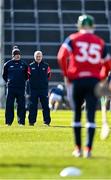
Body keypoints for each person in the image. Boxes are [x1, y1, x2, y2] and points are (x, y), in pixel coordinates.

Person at [57, 14, 111, 158]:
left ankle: (78, 149)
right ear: (93, 26)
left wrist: (67, 74)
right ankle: (88, 150)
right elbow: (108, 63)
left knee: (76, 116)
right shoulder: (100, 42)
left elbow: (61, 56)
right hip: (93, 81)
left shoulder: (73, 38)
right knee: (91, 117)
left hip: (77, 80)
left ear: (79, 26)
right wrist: (103, 78)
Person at [2, 46, 28, 125]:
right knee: (9, 105)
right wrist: (9, 81)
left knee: (21, 105)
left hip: (21, 87)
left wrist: (22, 81)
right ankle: (8, 122)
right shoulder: (7, 64)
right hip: (11, 88)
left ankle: (21, 122)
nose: (18, 55)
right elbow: (4, 75)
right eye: (16, 54)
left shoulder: (24, 64)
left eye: (19, 54)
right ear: (13, 55)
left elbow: (27, 75)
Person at [28, 50, 51, 126]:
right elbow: (28, 77)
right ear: (34, 57)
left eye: (39, 56)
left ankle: (46, 122)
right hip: (33, 90)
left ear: (42, 57)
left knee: (45, 106)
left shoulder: (46, 66)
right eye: (37, 56)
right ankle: (31, 122)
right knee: (32, 106)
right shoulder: (30, 66)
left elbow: (48, 76)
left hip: (43, 90)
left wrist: (43, 84)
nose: (38, 58)